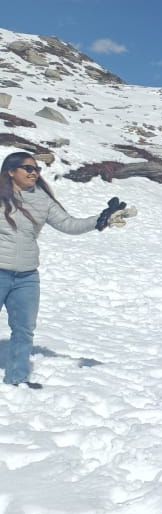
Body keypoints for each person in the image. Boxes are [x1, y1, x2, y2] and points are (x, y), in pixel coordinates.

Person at [0, 152, 128, 389]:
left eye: (36, 169)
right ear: (11, 171)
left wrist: (101, 219)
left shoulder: (42, 199)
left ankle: (17, 379)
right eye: (28, 168)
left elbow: (69, 224)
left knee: (24, 330)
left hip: (27, 276)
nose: (34, 173)